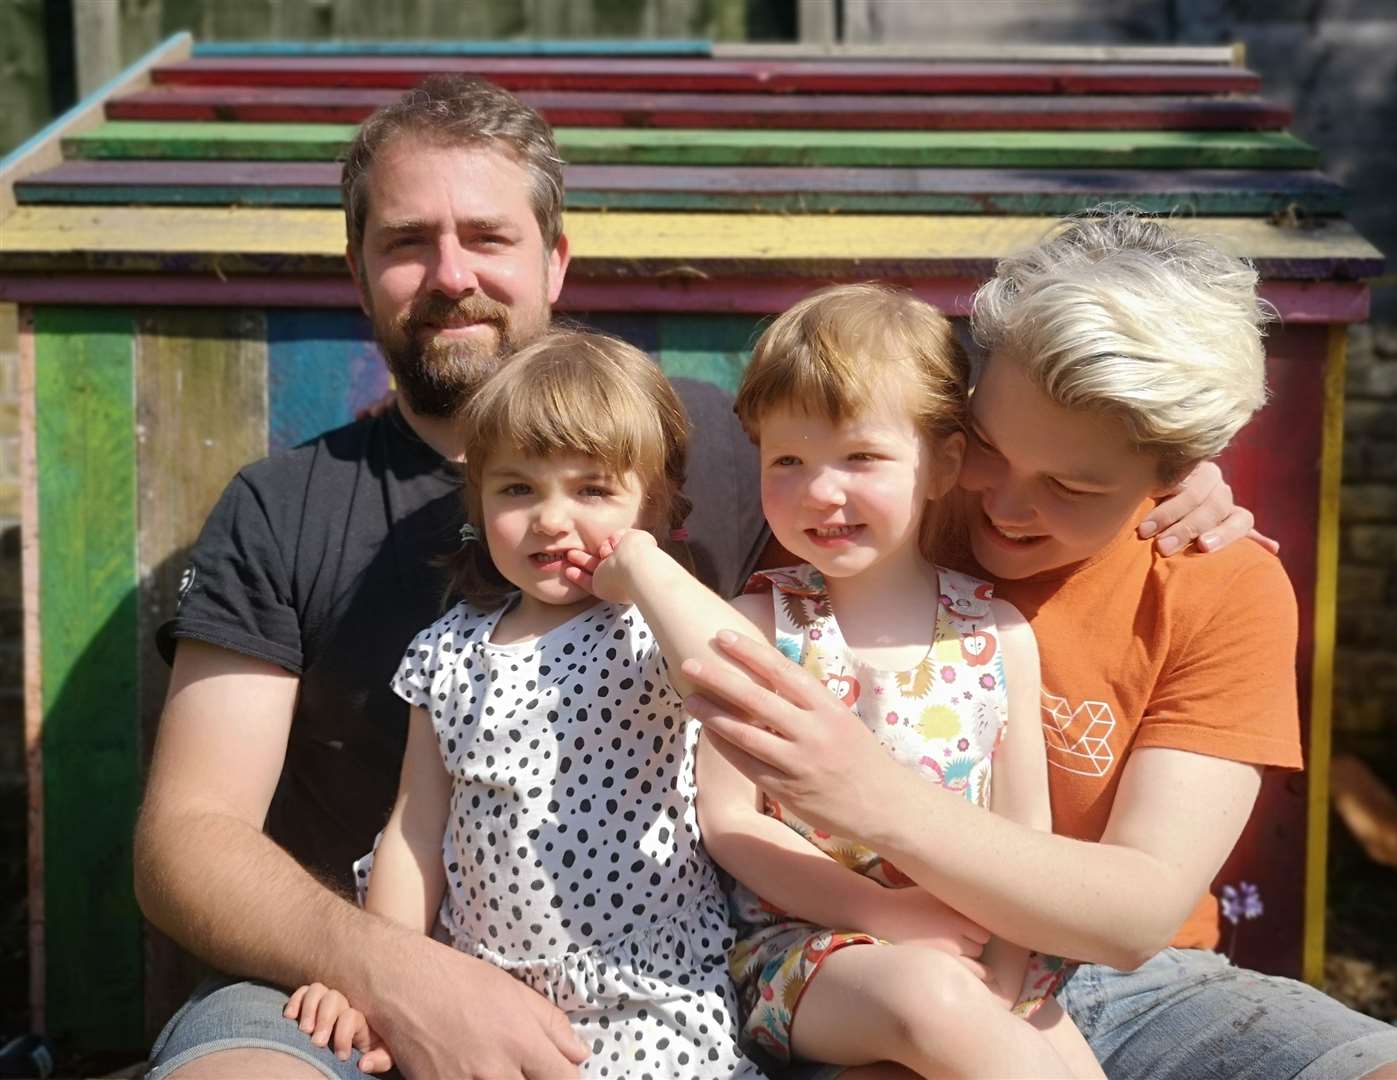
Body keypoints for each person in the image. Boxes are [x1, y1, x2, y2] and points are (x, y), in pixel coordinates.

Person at [132, 74, 1266, 1080]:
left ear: (555, 259)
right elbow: (188, 835)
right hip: (350, 959)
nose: (450, 274)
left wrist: (1154, 465)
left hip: (673, 978)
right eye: (404, 242)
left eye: (487, 235)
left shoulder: (718, 449)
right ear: (358, 268)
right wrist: (387, 967)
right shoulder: (285, 505)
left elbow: (926, 421)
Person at [679, 213, 1397, 1080]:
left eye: (1071, 485)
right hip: (860, 958)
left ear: (1173, 473)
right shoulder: (887, 506)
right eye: (988, 448)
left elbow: (1133, 916)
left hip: (1130, 981)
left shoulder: (1217, 581)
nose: (1002, 506)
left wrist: (870, 794)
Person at [280, 332, 766, 1078]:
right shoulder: (449, 652)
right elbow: (415, 827)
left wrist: (640, 562)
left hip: (647, 997)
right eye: (518, 489)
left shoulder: (654, 626)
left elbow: (744, 669)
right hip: (479, 1002)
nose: (550, 519)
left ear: (656, 503)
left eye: (593, 489)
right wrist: (381, 973)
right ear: (477, 502)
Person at [691, 285, 1102, 1078]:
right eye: (788, 460)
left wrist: (1004, 983)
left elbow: (1028, 847)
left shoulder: (999, 635)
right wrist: (885, 914)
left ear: (943, 462)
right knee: (930, 1000)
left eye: (862, 457)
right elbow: (730, 823)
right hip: (803, 957)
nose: (821, 490)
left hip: (983, 960)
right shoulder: (755, 627)